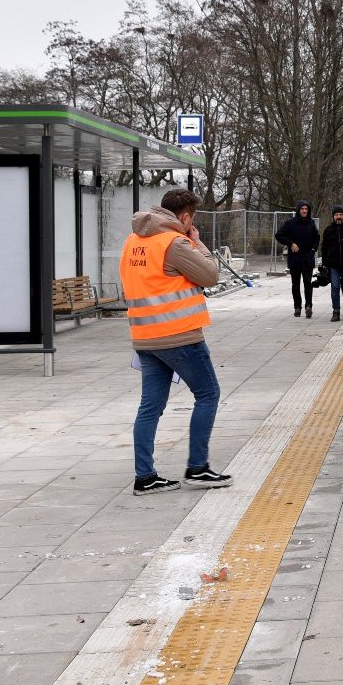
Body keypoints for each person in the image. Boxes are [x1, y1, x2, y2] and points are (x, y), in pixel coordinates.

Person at [121, 188, 232, 495]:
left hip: (144, 337)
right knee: (208, 393)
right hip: (179, 335)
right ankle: (197, 468)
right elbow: (210, 275)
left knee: (150, 407)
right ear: (185, 217)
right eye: (191, 219)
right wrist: (196, 241)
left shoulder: (133, 241)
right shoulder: (175, 242)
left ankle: (145, 476)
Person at [275, 201, 320, 318]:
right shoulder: (290, 223)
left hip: (307, 258)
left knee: (307, 283)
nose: (304, 211)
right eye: (302, 209)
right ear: (298, 210)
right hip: (295, 259)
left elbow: (317, 237)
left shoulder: (311, 223)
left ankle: (308, 306)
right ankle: (297, 307)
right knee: (295, 284)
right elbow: (278, 235)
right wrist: (290, 243)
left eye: (306, 209)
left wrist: (314, 249)